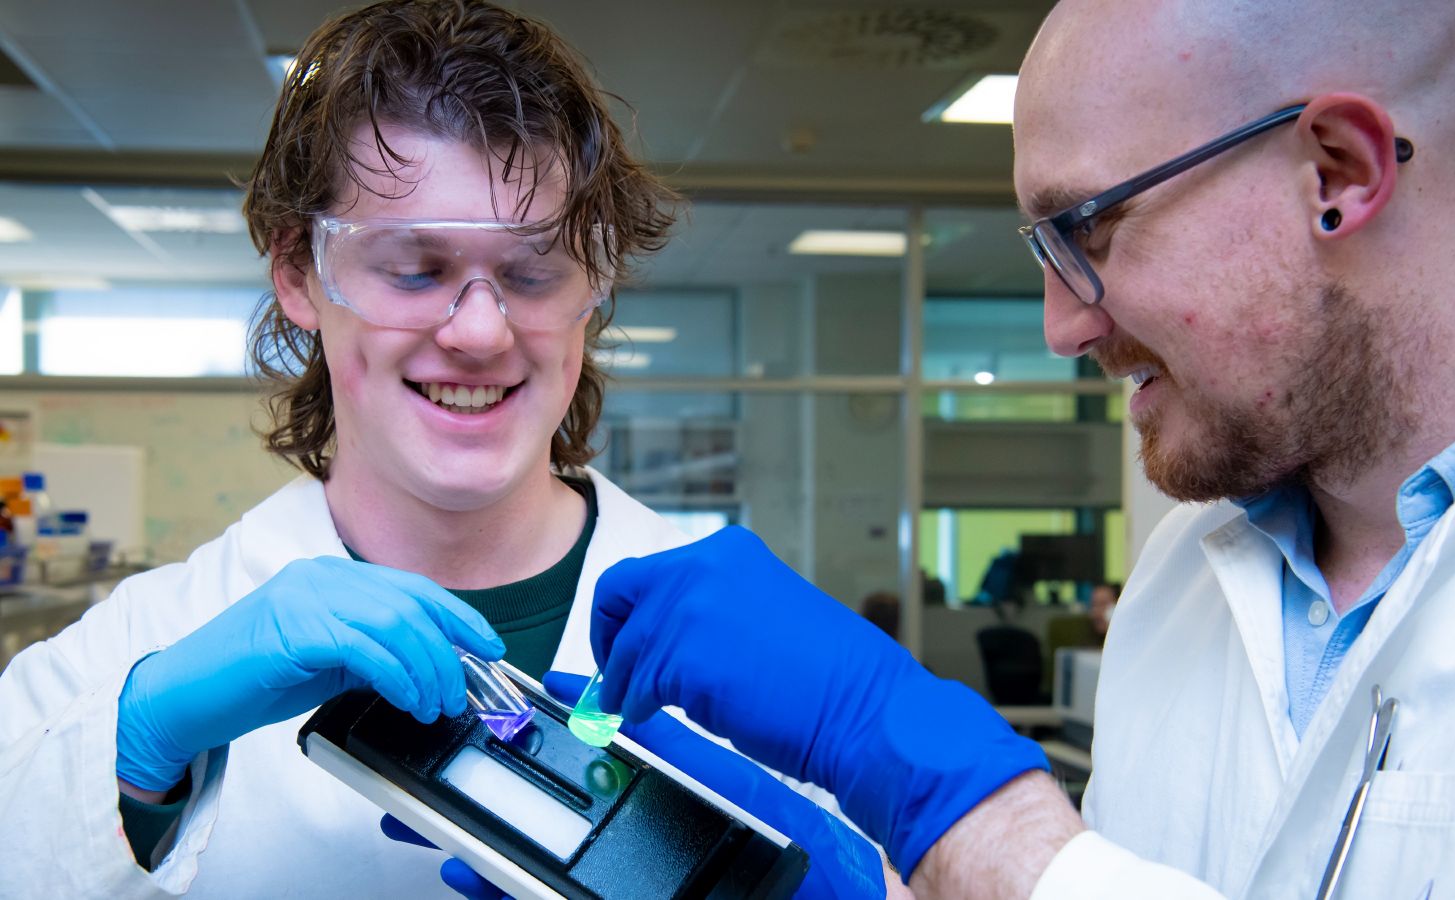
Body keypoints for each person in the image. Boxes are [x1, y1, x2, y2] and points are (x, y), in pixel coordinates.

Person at [552, 1, 1455, 898]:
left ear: (1335, 170)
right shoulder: (1185, 574)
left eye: (1085, 232)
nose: (1062, 327)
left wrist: (964, 807)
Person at [0, 2, 890, 897]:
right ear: (299, 274)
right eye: (414, 268)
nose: (477, 331)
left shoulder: (761, 648)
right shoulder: (136, 651)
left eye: (533, 270)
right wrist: (136, 755)